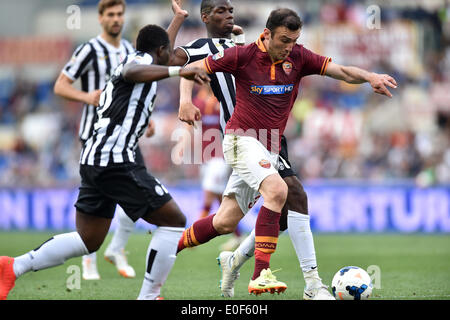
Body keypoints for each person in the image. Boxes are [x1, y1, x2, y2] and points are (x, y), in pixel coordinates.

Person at [175, 6, 397, 298]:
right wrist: (185, 100)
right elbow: (192, 68)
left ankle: (174, 246)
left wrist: (369, 76)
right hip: (241, 140)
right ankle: (264, 276)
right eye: (283, 40)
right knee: (281, 192)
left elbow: (340, 71)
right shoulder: (242, 55)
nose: (288, 48)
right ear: (266, 34)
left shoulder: (299, 56)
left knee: (225, 221)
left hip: (268, 146)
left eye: (293, 40)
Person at [0, 11, 211, 301]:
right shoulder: (138, 63)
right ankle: (149, 297)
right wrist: (179, 71)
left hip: (94, 158)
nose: (174, 60)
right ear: (160, 52)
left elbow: (161, 58)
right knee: (173, 220)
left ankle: (13, 266)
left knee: (88, 239)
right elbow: (135, 72)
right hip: (115, 160)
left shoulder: (150, 59)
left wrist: (177, 20)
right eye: (168, 54)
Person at [173, 0, 331, 299]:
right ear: (205, 16)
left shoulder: (242, 44)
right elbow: (173, 60)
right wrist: (178, 21)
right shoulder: (202, 46)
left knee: (229, 220)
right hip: (243, 135)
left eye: (230, 9)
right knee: (289, 193)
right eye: (221, 10)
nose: (229, 14)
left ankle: (221, 256)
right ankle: (308, 284)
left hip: (268, 135)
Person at [54, 0, 144, 280]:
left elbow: (134, 92)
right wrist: (86, 97)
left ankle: (116, 248)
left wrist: (146, 121)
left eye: (120, 14)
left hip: (125, 136)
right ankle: (88, 258)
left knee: (139, 193)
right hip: (94, 136)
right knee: (95, 202)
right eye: (111, 15)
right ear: (101, 18)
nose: (117, 19)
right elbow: (60, 85)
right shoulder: (88, 49)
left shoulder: (130, 50)